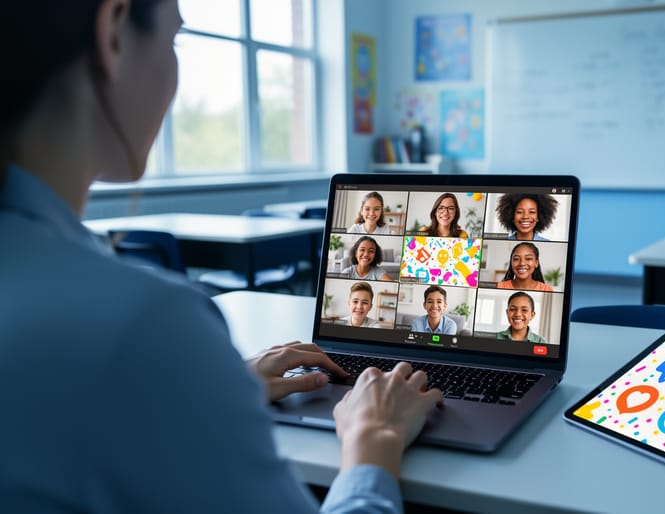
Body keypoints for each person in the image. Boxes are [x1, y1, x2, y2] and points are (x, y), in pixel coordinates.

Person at [0, 2, 442, 512]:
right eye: (176, 40)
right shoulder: (147, 326)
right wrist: (374, 436)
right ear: (113, 31)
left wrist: (192, 398)